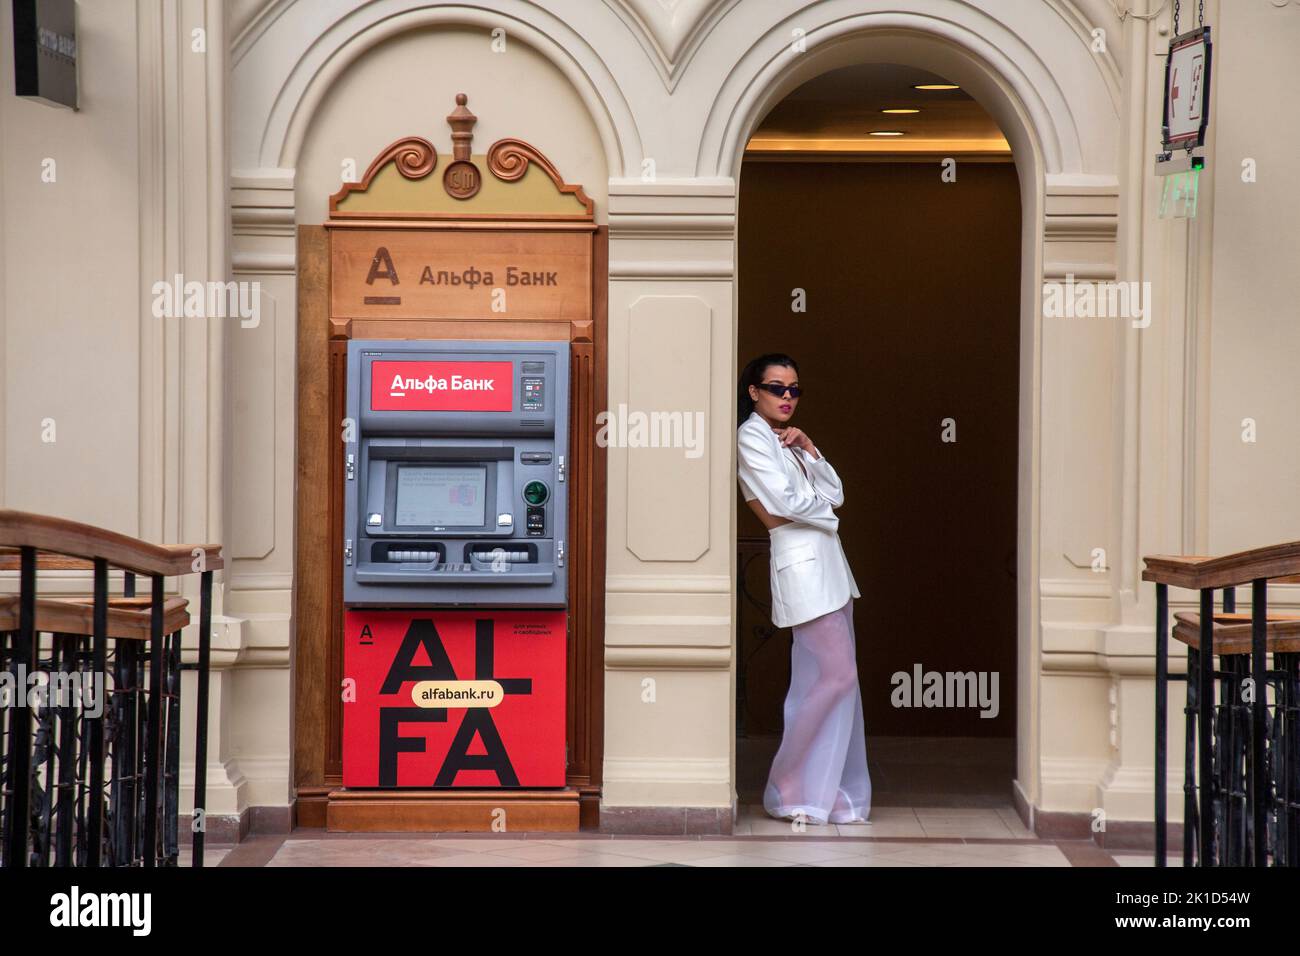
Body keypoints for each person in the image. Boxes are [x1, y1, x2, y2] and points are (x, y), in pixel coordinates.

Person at [736, 353, 871, 826]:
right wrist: (818, 509)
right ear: (755, 392)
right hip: (802, 567)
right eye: (777, 388)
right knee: (839, 676)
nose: (787, 397)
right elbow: (784, 503)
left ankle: (823, 788)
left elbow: (834, 493)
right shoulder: (751, 437)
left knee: (824, 680)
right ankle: (788, 778)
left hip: (829, 568)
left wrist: (810, 449)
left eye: (794, 389)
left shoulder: (789, 442)